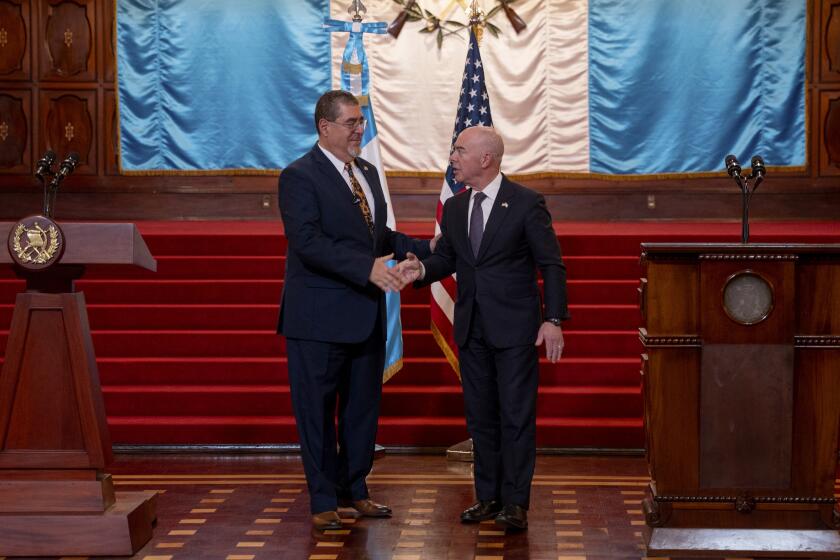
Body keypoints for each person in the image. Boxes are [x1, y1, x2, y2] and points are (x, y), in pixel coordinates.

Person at [398, 125, 568, 531]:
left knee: (515, 417)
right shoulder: (455, 208)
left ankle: (515, 503)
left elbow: (551, 264)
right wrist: (421, 268)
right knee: (481, 419)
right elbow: (450, 261)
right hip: (471, 329)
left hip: (515, 330)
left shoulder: (526, 203)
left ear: (486, 158)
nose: (452, 158)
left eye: (459, 151)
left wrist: (554, 319)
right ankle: (487, 497)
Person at [278, 90, 432, 531]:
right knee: (318, 411)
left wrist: (422, 247)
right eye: (350, 122)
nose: (359, 129)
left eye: (361, 121)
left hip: (365, 314)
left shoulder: (364, 171)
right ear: (324, 127)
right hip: (318, 318)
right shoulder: (299, 176)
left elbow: (375, 234)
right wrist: (366, 268)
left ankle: (355, 489)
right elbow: (307, 242)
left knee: (362, 409)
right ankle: (324, 498)